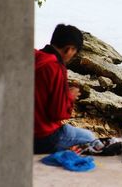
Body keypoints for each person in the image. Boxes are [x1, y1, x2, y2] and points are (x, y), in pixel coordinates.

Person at [34, 24, 103, 154]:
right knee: (89, 138)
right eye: (74, 52)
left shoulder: (35, 56)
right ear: (69, 49)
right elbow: (57, 114)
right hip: (42, 137)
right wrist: (69, 97)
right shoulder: (55, 67)